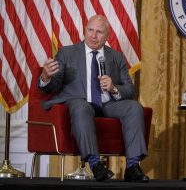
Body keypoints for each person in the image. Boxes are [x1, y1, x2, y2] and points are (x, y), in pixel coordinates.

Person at [39, 15, 149, 182]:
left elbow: (129, 90)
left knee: (134, 107)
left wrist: (113, 88)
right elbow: (53, 87)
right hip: (80, 102)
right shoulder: (67, 53)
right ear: (85, 30)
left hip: (108, 105)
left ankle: (133, 166)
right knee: (80, 106)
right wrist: (45, 77)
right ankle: (96, 165)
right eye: (90, 30)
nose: (93, 35)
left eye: (99, 32)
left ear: (107, 36)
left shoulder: (116, 57)